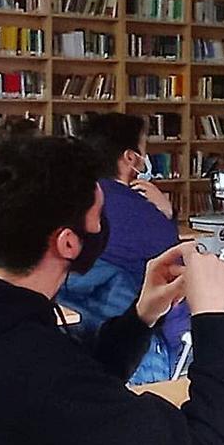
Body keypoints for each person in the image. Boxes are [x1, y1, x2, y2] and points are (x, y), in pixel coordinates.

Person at [0, 135, 224, 445]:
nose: (103, 227)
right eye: (99, 216)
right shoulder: (37, 370)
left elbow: (81, 384)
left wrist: (141, 315)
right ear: (69, 242)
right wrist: (212, 319)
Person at [60, 112, 186, 384]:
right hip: (138, 354)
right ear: (131, 158)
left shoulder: (64, 202)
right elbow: (176, 275)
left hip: (70, 344)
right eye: (144, 150)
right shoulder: (146, 215)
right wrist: (167, 215)